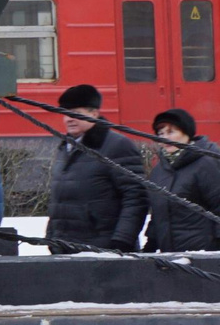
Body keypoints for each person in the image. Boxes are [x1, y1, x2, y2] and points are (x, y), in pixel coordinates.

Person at [45, 83, 148, 253]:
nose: (69, 119)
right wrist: (52, 237)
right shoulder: (65, 147)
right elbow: (61, 200)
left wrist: (122, 241)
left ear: (94, 114)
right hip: (66, 249)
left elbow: (136, 197)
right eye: (65, 113)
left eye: (76, 114)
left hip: (105, 250)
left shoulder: (117, 146)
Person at [144, 108, 220, 255]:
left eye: (171, 132)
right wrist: (151, 244)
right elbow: (159, 213)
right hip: (171, 255)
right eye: (160, 133)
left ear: (187, 133)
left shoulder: (206, 163)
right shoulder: (159, 170)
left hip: (204, 254)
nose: (165, 138)